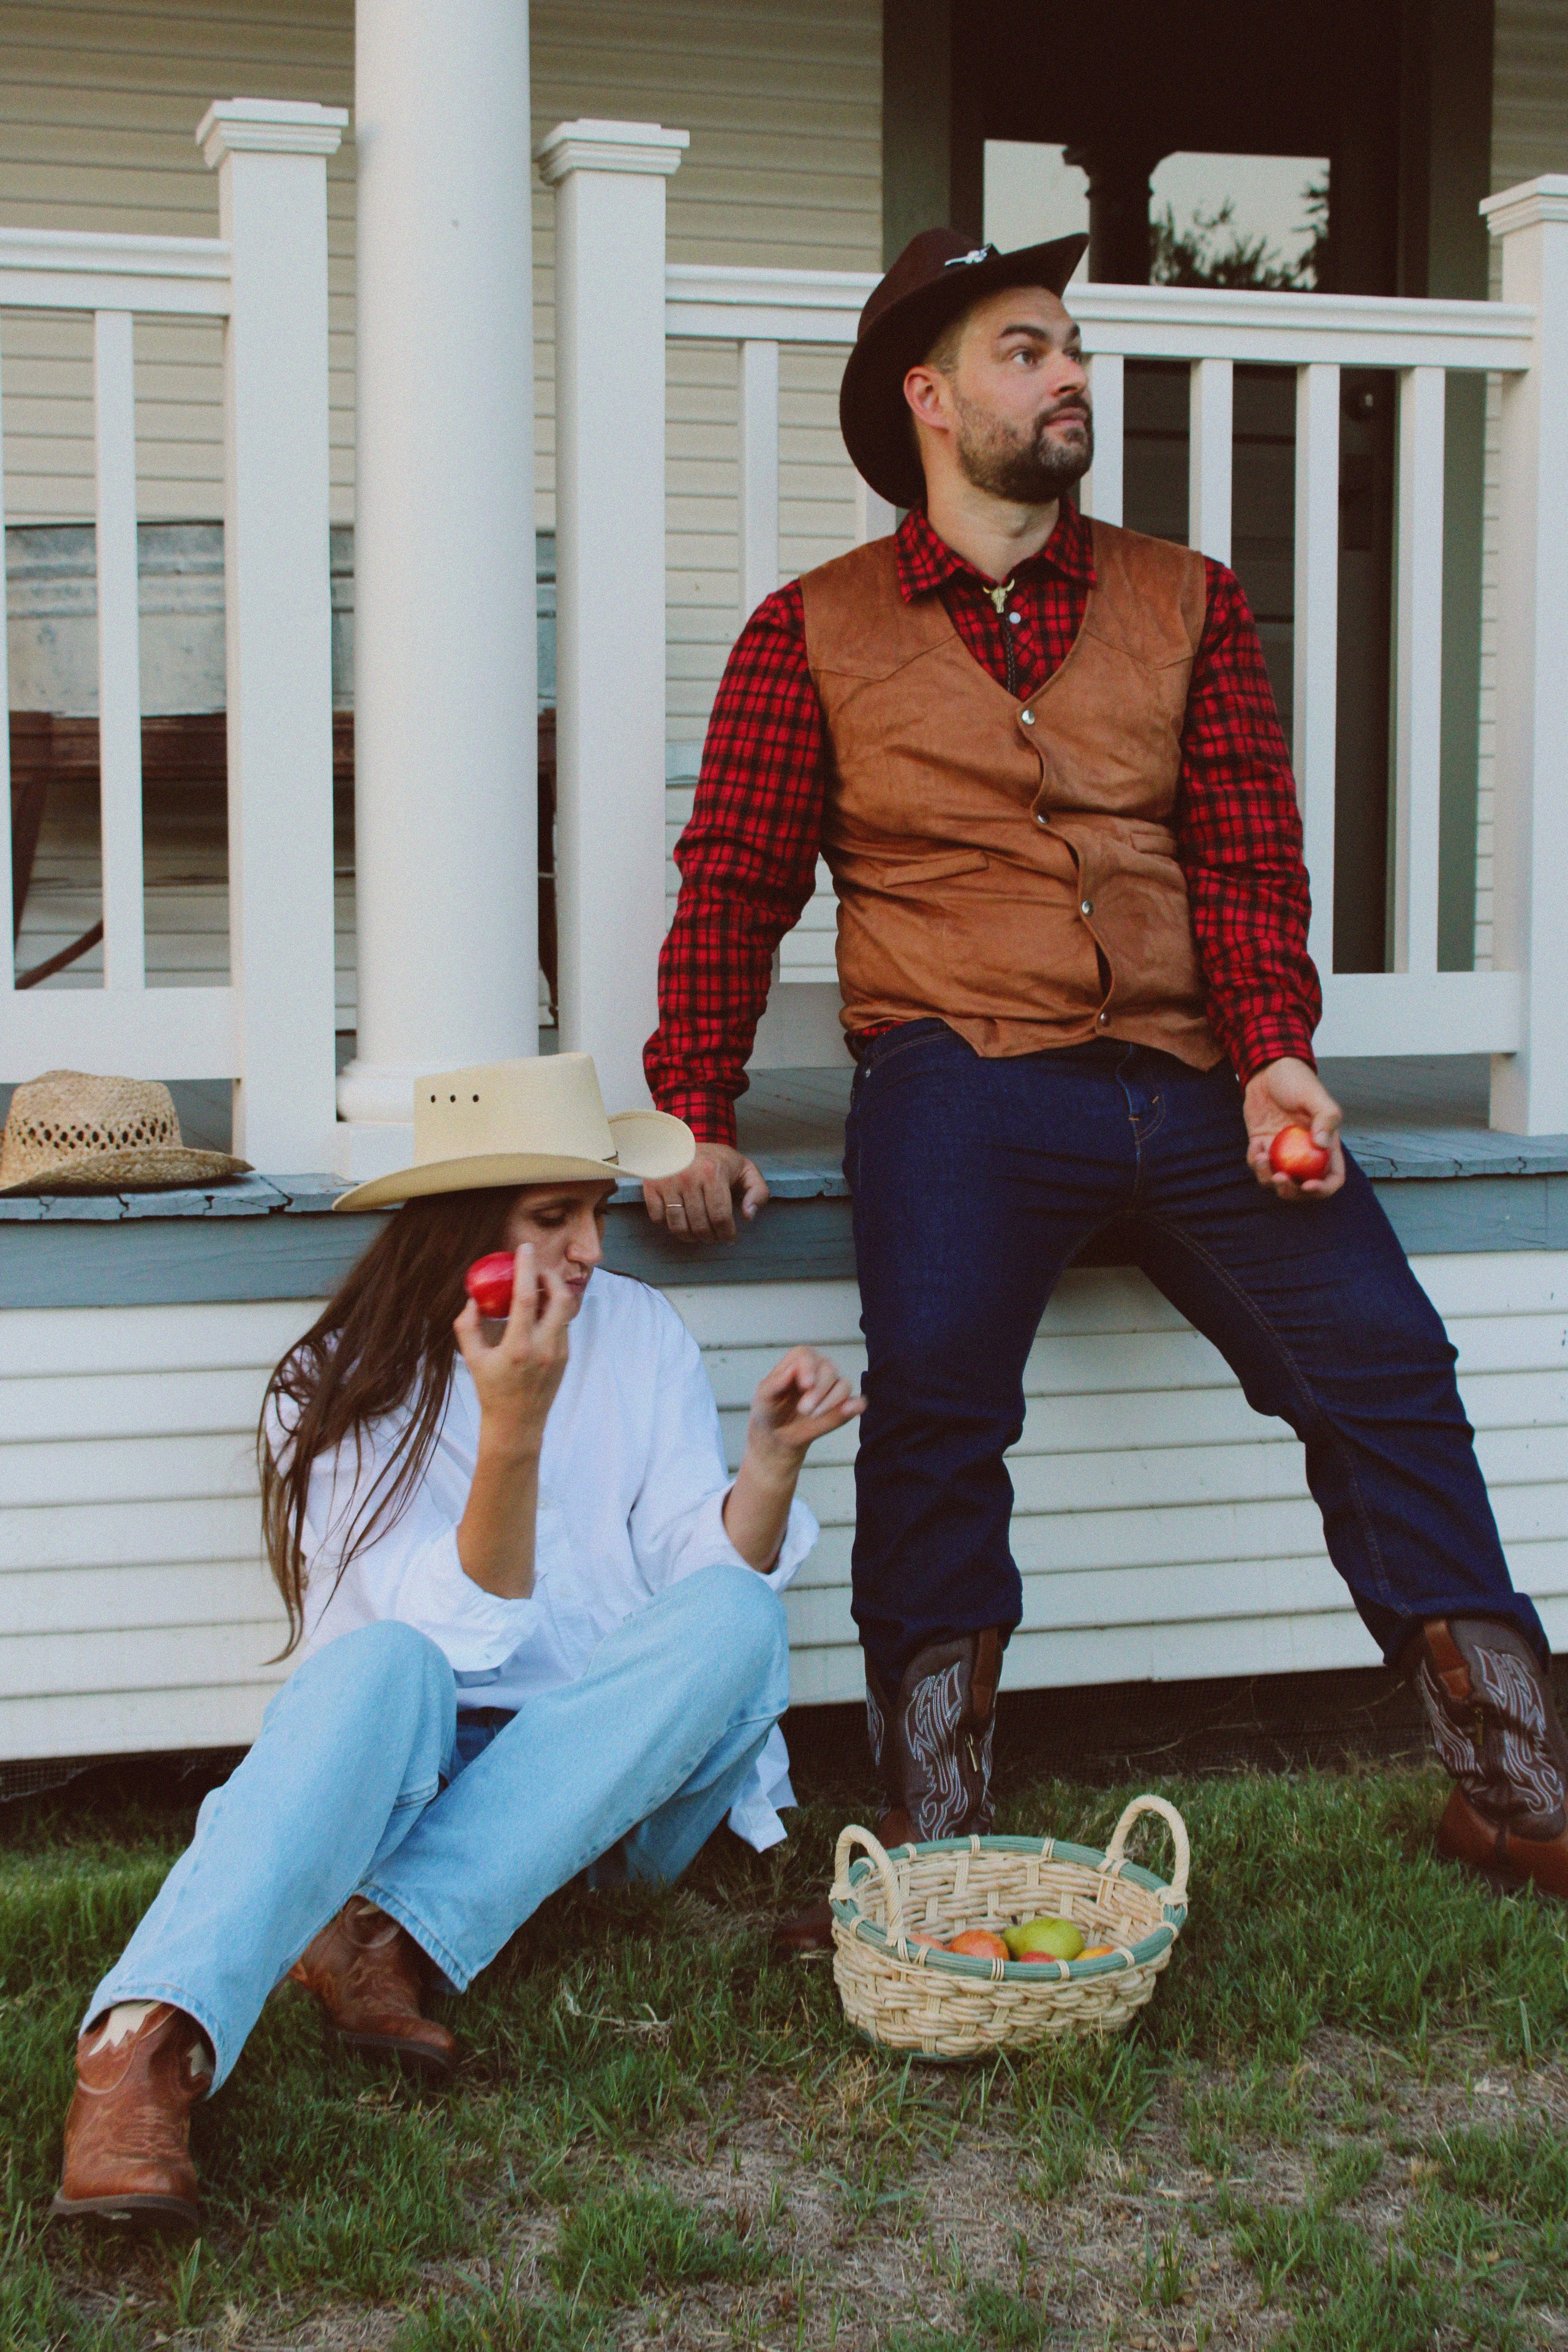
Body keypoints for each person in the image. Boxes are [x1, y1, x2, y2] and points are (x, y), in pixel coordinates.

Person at [641, 228, 1568, 1917]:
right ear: (928, 397)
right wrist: (690, 1102)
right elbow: (738, 878)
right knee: (937, 1412)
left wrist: (1278, 1054)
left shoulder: (1187, 597)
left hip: (1201, 1079)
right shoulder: (810, 633)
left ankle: (1516, 1784)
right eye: (1023, 349)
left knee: (1386, 1361)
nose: (1068, 373)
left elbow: (1247, 858)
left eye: (1070, 346)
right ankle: (938, 1835)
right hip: (962, 1080)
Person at [52, 1053, 862, 2226]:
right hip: (415, 1782)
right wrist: (511, 1431)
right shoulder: (330, 1388)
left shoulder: (636, 1333)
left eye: (595, 1209)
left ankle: (382, 1926)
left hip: (598, 1791)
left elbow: (703, 1582)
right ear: (462, 1237)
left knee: (740, 1612)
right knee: (389, 1661)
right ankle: (141, 2052)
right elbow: (440, 1646)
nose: (592, 1247)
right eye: (553, 1218)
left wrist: (772, 1465)